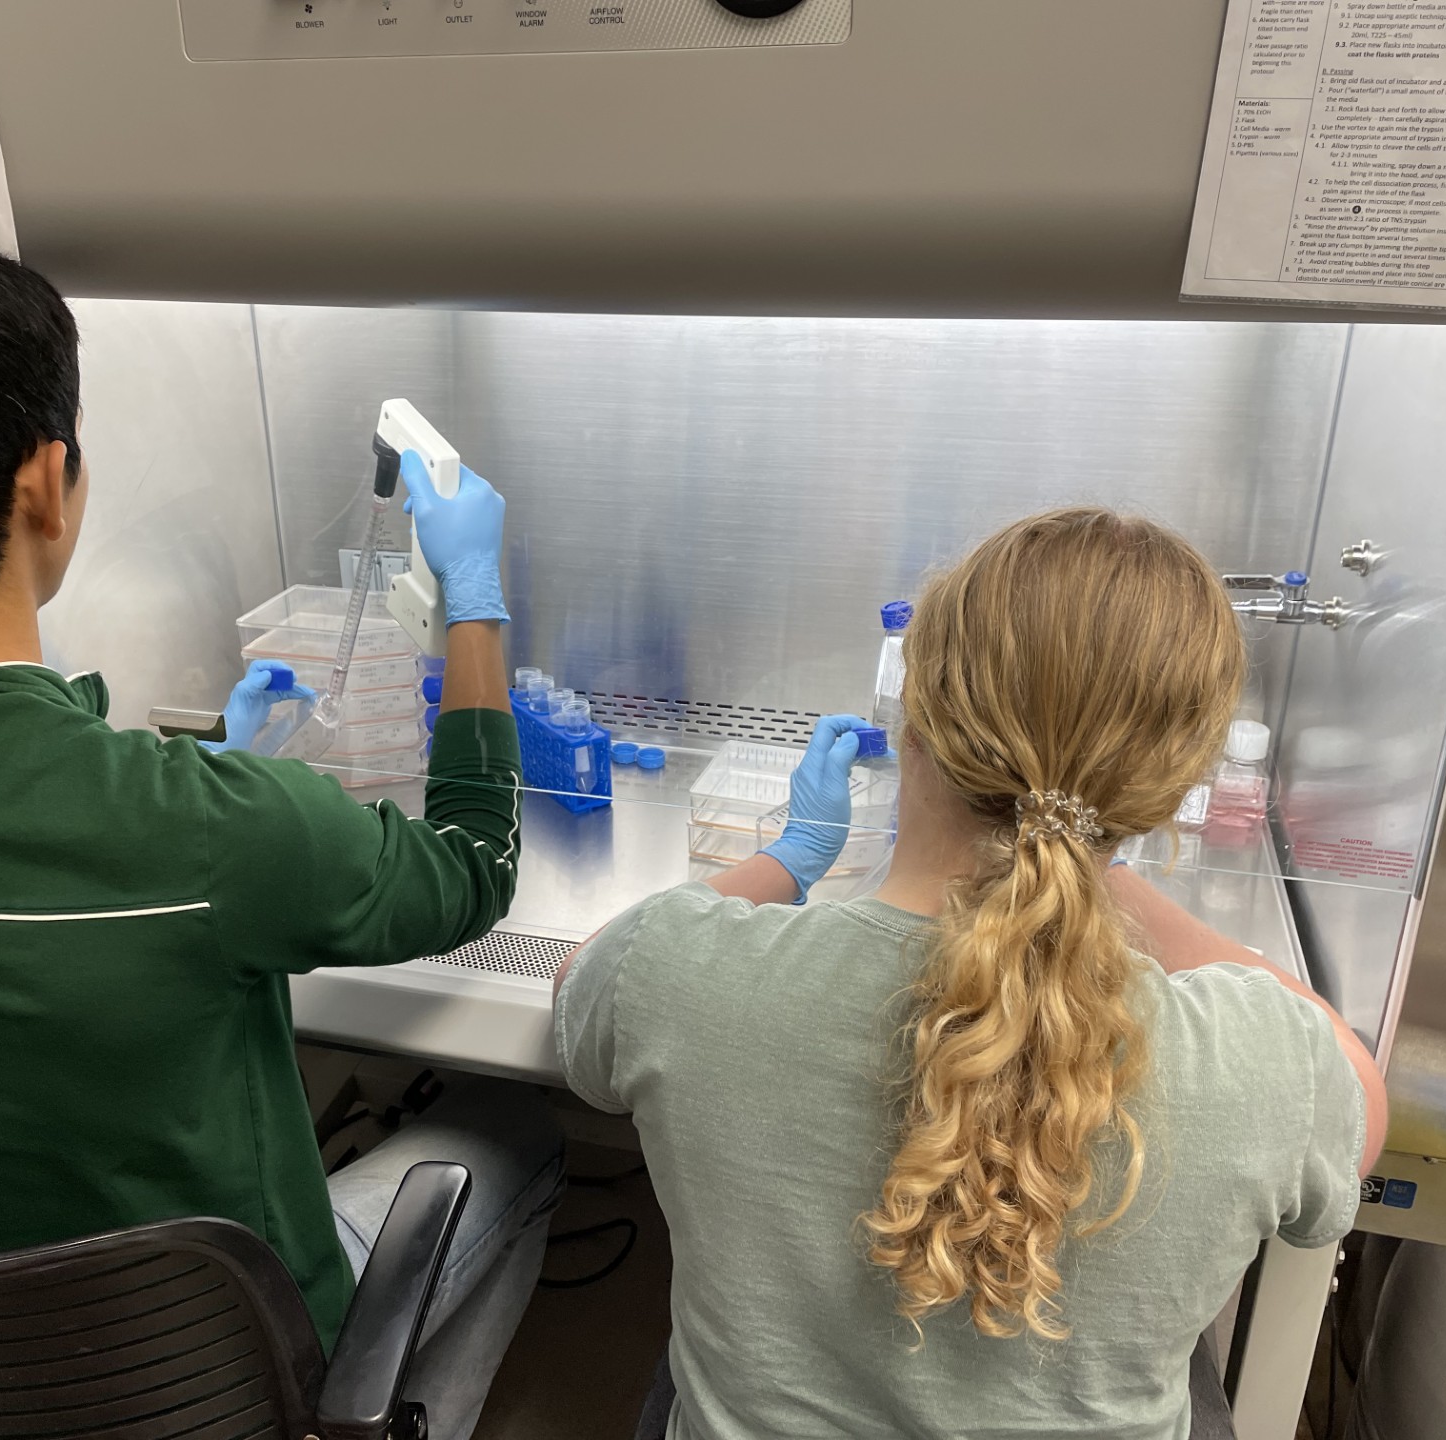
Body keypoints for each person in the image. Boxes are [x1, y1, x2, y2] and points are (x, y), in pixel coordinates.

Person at [0, 225, 561, 1437]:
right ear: (44, 483)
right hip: (218, 1391)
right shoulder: (207, 834)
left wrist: (210, 782)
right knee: (515, 1126)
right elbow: (473, 870)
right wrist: (475, 604)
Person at [555, 508, 1388, 1440]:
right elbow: (1356, 1107)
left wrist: (794, 855)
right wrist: (1100, 874)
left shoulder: (678, 969)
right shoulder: (1266, 1060)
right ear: (1171, 783)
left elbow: (588, 981)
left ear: (915, 715)